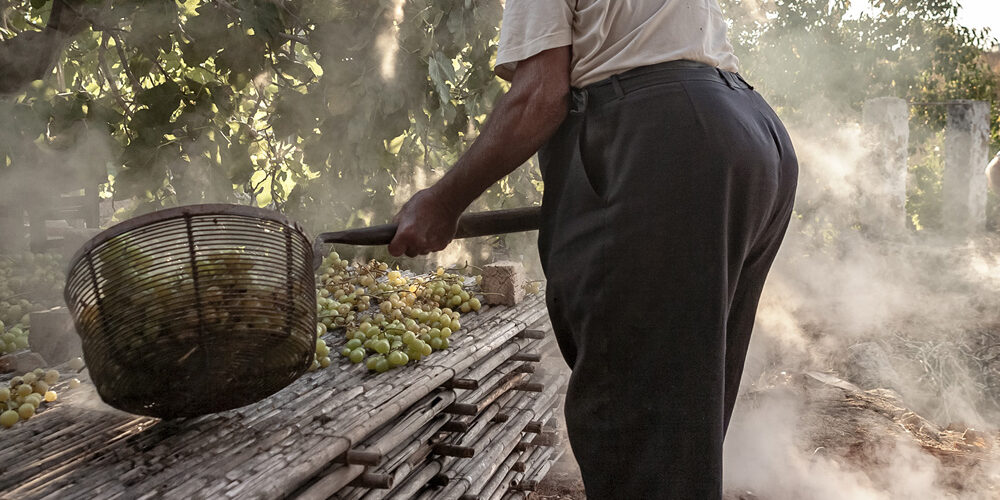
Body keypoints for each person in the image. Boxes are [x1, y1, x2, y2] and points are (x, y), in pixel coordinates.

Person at [387, 1, 798, 498]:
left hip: (666, 143)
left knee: (641, 436)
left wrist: (442, 200)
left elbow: (540, 95)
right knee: (679, 426)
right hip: (749, 133)